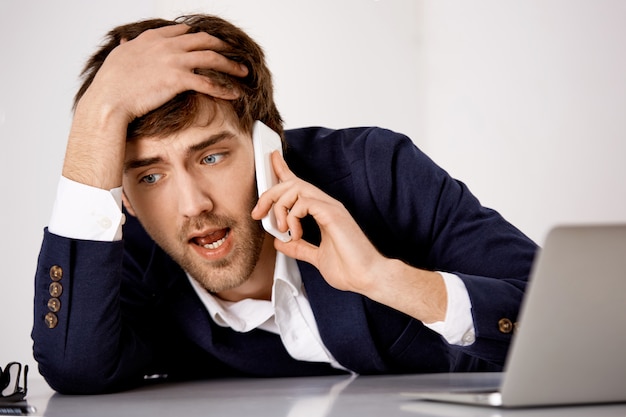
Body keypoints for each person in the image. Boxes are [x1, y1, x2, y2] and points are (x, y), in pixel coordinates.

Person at [32, 14, 537, 394]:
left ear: (267, 147)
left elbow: (570, 326)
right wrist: (97, 117)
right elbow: (74, 367)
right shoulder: (127, 252)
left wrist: (387, 280)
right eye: (150, 174)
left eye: (210, 156)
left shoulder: (373, 171)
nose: (191, 205)